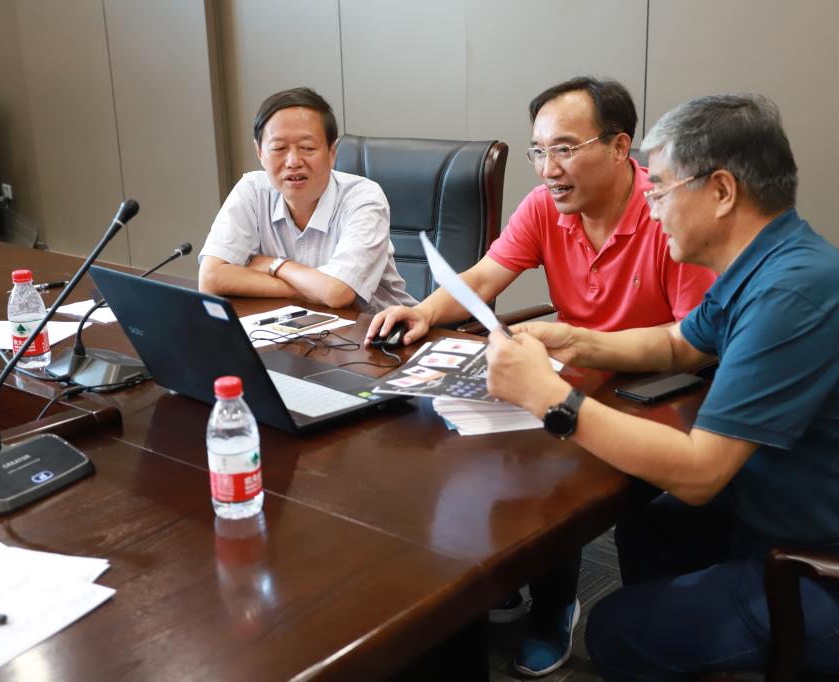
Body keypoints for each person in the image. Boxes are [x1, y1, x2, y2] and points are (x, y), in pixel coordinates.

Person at [485, 93, 839, 681]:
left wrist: (551, 398)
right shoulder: (771, 259)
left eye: (660, 190)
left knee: (614, 631)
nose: (651, 209)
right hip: (805, 525)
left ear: (720, 191)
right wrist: (575, 342)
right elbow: (678, 344)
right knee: (650, 528)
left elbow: (699, 473)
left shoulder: (790, 297)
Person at [367, 77, 715, 677]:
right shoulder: (544, 206)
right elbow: (484, 277)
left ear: (619, 146)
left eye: (565, 149)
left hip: (656, 385)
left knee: (554, 455)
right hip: (573, 366)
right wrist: (423, 311)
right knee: (469, 432)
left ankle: (555, 604)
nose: (549, 169)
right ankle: (504, 575)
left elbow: (692, 342)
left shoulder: (665, 212)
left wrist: (579, 350)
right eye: (540, 151)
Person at [198, 87, 415, 313]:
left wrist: (276, 265)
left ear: (332, 153)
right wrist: (310, 291)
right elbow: (211, 278)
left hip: (379, 329)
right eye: (279, 148)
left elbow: (337, 293)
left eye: (307, 148)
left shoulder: (363, 198)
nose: (293, 161)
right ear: (260, 152)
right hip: (296, 327)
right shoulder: (252, 190)